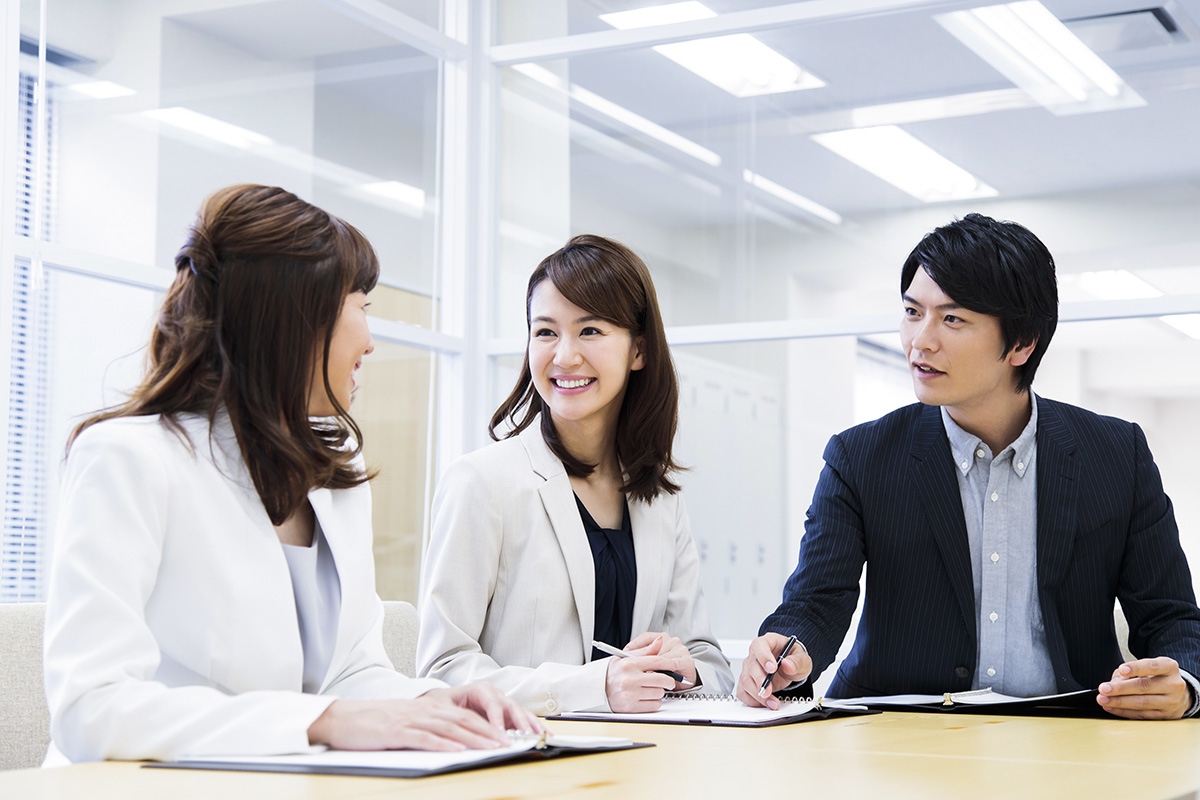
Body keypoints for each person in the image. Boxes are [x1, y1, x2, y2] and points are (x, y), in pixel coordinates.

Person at [42, 184, 540, 764]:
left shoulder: (334, 471)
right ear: (298, 319)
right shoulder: (128, 459)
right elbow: (91, 711)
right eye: (362, 306)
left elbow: (352, 673)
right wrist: (323, 721)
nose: (372, 341)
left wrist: (441, 701)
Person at [739, 213, 1200, 720]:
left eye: (952, 319)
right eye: (913, 312)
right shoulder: (861, 456)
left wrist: (1185, 682)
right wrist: (788, 651)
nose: (921, 340)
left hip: (1068, 733)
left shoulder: (1116, 454)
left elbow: (1172, 618)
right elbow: (816, 601)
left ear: (1022, 344)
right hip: (900, 734)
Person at [417, 234, 733, 715]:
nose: (563, 355)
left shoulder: (660, 498)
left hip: (644, 764)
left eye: (589, 331)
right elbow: (442, 670)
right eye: (545, 332)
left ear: (639, 351)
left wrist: (684, 670)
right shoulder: (482, 482)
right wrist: (593, 687)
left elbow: (711, 665)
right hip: (524, 769)